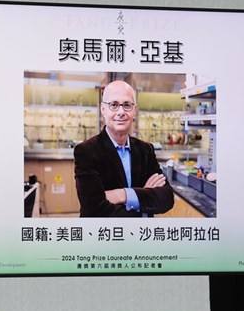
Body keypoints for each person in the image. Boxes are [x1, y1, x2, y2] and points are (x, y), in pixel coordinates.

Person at [74, 80, 174, 217]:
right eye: (114, 105)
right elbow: (94, 209)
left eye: (127, 105)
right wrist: (143, 199)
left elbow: (166, 198)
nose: (121, 112)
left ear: (134, 111)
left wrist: (123, 194)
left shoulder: (146, 150)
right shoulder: (86, 152)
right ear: (103, 109)